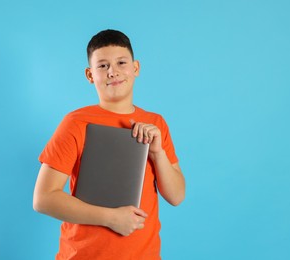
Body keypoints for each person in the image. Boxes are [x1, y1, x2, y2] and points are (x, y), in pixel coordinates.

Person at [33, 29, 186, 259]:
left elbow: (177, 196)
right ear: (90, 74)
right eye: (102, 66)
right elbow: (43, 198)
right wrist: (112, 218)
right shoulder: (76, 123)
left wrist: (157, 153)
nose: (113, 72)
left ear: (135, 68)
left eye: (121, 62)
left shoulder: (156, 123)